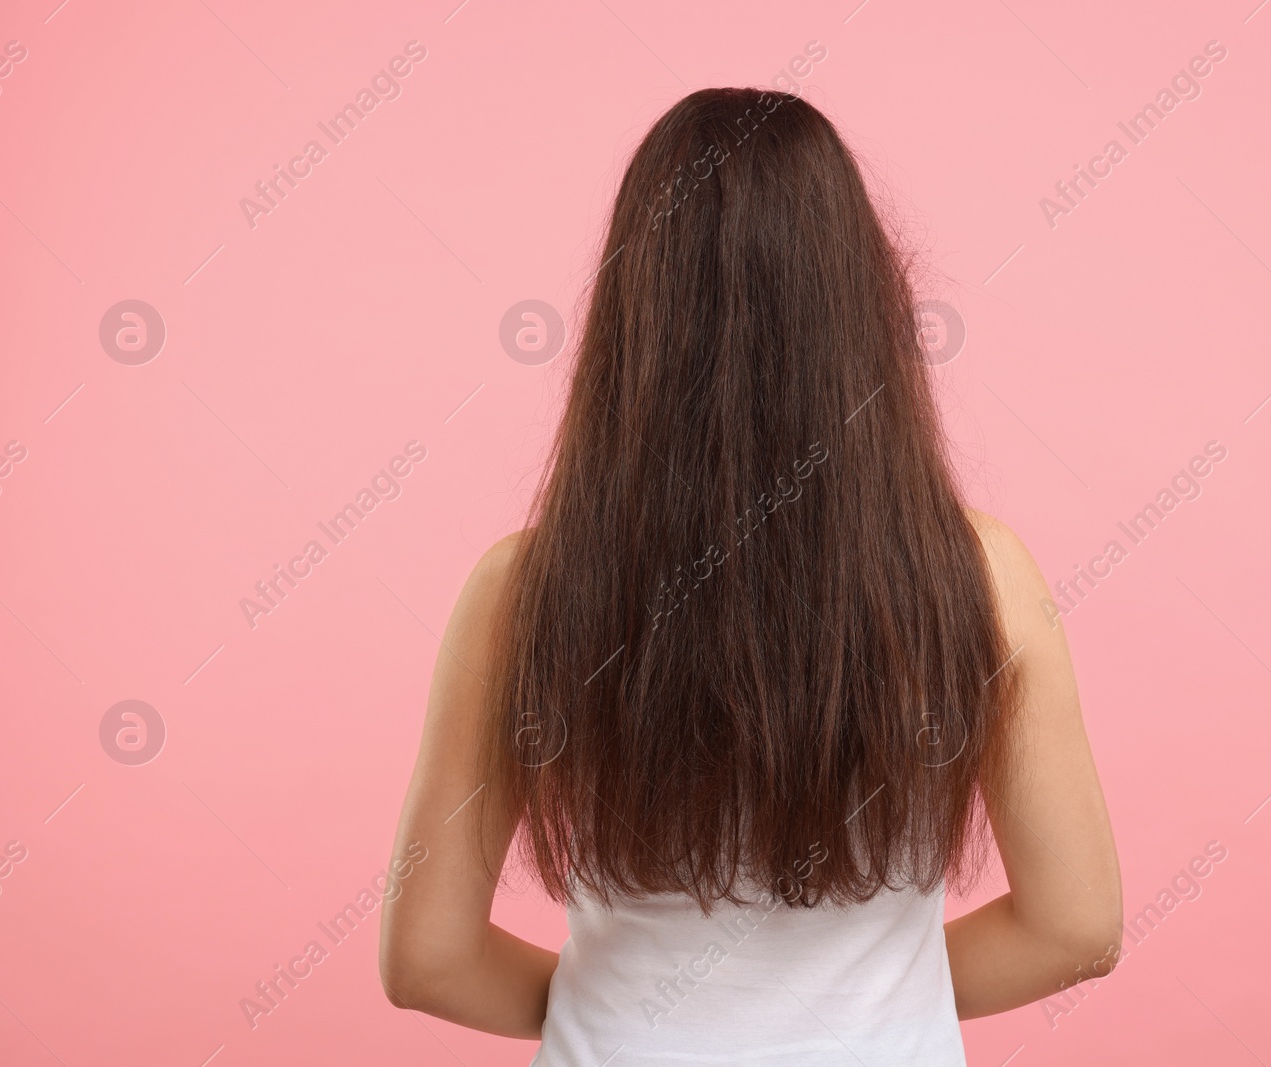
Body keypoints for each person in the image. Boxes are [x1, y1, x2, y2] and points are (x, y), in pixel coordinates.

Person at [379, 86, 1121, 1065]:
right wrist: (861, 1006)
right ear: (860, 303)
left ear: (632, 311)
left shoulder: (521, 594)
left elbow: (426, 958)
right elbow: (1075, 927)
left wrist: (624, 1001)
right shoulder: (981, 577)